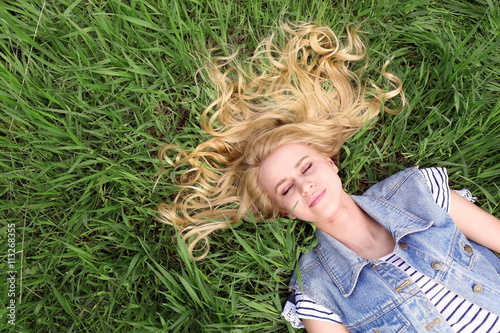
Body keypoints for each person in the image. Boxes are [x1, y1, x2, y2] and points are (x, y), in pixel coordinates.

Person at [157, 22, 500, 332]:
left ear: (331, 162)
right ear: (283, 210)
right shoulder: (317, 288)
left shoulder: (418, 192)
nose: (304, 185)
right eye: (286, 188)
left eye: (306, 167)